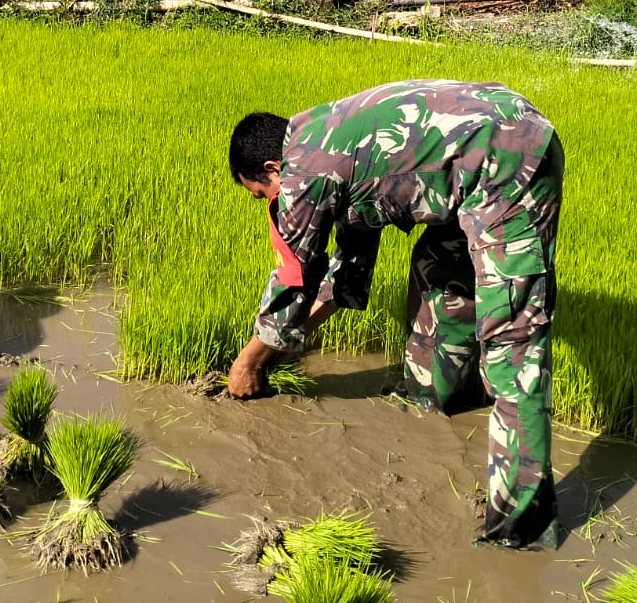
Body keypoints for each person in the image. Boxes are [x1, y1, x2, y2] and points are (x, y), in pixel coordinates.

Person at [225, 79, 564, 550]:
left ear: (272, 169)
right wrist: (281, 348)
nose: (270, 204)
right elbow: (343, 278)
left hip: (508, 157)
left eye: (261, 194)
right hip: (471, 163)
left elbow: (293, 281)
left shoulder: (305, 172)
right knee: (439, 266)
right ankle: (437, 400)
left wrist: (248, 364)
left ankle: (521, 531)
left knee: (513, 342)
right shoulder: (332, 155)